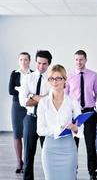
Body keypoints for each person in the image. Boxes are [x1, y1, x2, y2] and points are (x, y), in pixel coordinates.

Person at [37, 64, 82, 180]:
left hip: (68, 149)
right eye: (52, 78)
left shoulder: (72, 102)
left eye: (59, 78)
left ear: (65, 80)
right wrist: (59, 128)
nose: (55, 82)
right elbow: (40, 130)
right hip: (49, 149)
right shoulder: (43, 103)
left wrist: (74, 128)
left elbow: (81, 128)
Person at [65, 50, 97, 180]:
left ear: (86, 60)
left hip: (89, 112)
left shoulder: (93, 75)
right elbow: (66, 96)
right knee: (73, 144)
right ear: (74, 60)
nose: (78, 62)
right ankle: (72, 172)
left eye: (81, 59)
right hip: (74, 114)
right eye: (76, 59)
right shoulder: (68, 76)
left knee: (90, 143)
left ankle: (92, 173)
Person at [19, 50, 52, 180]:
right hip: (31, 119)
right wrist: (41, 98)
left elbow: (51, 101)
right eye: (39, 63)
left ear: (49, 64)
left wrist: (32, 95)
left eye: (44, 64)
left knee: (48, 154)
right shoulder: (28, 78)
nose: (41, 66)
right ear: (35, 62)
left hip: (47, 120)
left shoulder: (52, 80)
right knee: (28, 155)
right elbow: (23, 102)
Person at [9, 52, 32, 173]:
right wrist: (22, 90)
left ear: (29, 61)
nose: (23, 62)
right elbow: (10, 90)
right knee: (17, 134)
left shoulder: (33, 74)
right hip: (17, 106)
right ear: (19, 61)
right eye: (21, 59)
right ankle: (19, 162)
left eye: (26, 59)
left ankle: (27, 161)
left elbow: (34, 90)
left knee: (28, 135)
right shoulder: (15, 73)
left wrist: (23, 90)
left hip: (30, 106)